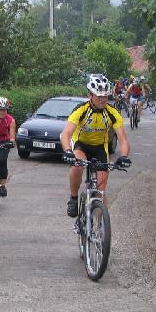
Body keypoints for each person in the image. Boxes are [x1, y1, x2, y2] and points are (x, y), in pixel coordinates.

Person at [60, 74, 132, 217]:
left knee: (101, 193)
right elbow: (66, 134)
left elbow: (123, 139)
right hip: (80, 144)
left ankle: (100, 226)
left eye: (105, 96)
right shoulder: (81, 110)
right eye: (99, 96)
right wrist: (67, 151)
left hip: (100, 148)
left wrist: (124, 156)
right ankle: (73, 198)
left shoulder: (112, 113)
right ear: (90, 95)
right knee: (77, 166)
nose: (103, 99)